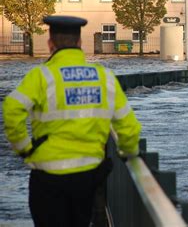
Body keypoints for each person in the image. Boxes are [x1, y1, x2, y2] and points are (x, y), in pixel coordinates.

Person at [2, 15, 141, 227]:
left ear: (51, 44)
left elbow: (12, 107)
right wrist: (127, 153)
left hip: (47, 176)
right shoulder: (104, 77)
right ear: (80, 43)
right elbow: (128, 126)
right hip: (88, 177)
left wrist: (24, 148)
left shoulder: (41, 76)